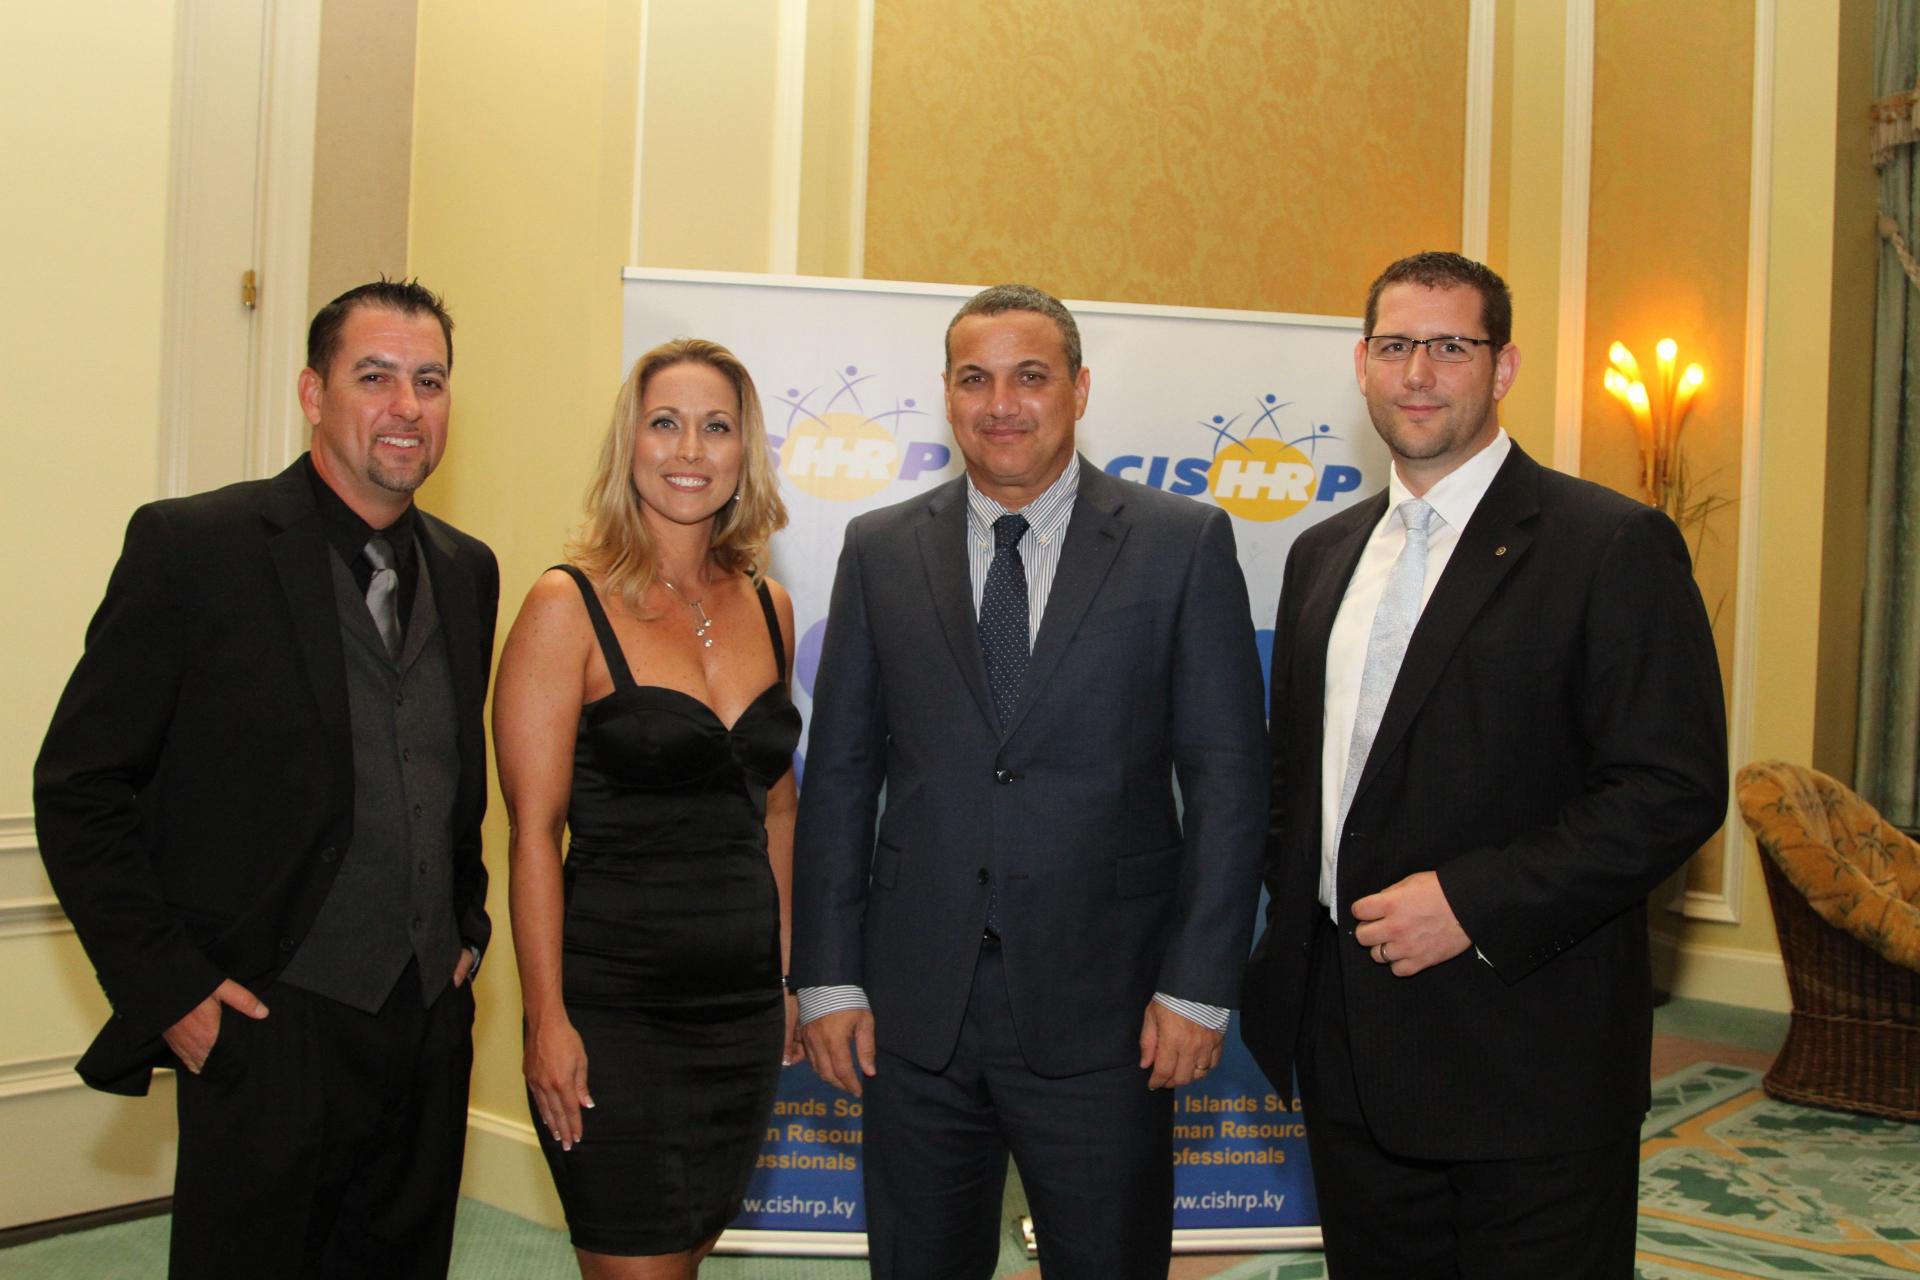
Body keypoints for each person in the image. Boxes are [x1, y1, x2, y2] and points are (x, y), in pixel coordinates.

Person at [1240, 251, 1728, 1278]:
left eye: (1450, 347)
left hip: (1526, 1051)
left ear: (1502, 367)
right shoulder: (1322, 553)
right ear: (1361, 364)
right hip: (1347, 1051)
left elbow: (1670, 788)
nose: (1418, 373)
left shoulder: (1610, 543)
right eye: (1395, 346)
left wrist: (1473, 900)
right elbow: (1297, 782)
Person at [791, 284, 1269, 1279]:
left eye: (1030, 376)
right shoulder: (879, 550)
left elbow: (1228, 783)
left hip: (1112, 1012)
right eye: (975, 378)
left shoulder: (1181, 542)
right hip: (914, 1012)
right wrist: (827, 974)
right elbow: (837, 776)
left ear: (1079, 390)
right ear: (947, 394)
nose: (1001, 403)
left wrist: (1198, 986)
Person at [34, 279, 497, 1278]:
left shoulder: (470, 569)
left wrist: (466, 926)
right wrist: (172, 988)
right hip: (266, 1019)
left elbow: (446, 769)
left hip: (426, 1022)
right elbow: (79, 786)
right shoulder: (193, 549)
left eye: (429, 381)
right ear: (312, 392)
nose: (407, 406)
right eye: (375, 377)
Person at [492, 338, 801, 1279]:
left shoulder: (772, 605)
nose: (690, 450)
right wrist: (545, 1020)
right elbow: (533, 835)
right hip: (614, 1013)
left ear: (745, 451)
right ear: (629, 443)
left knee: (691, 1251)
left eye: (717, 427)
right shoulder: (565, 605)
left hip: (741, 1011)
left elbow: (776, 810)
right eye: (665, 423)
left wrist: (786, 976)